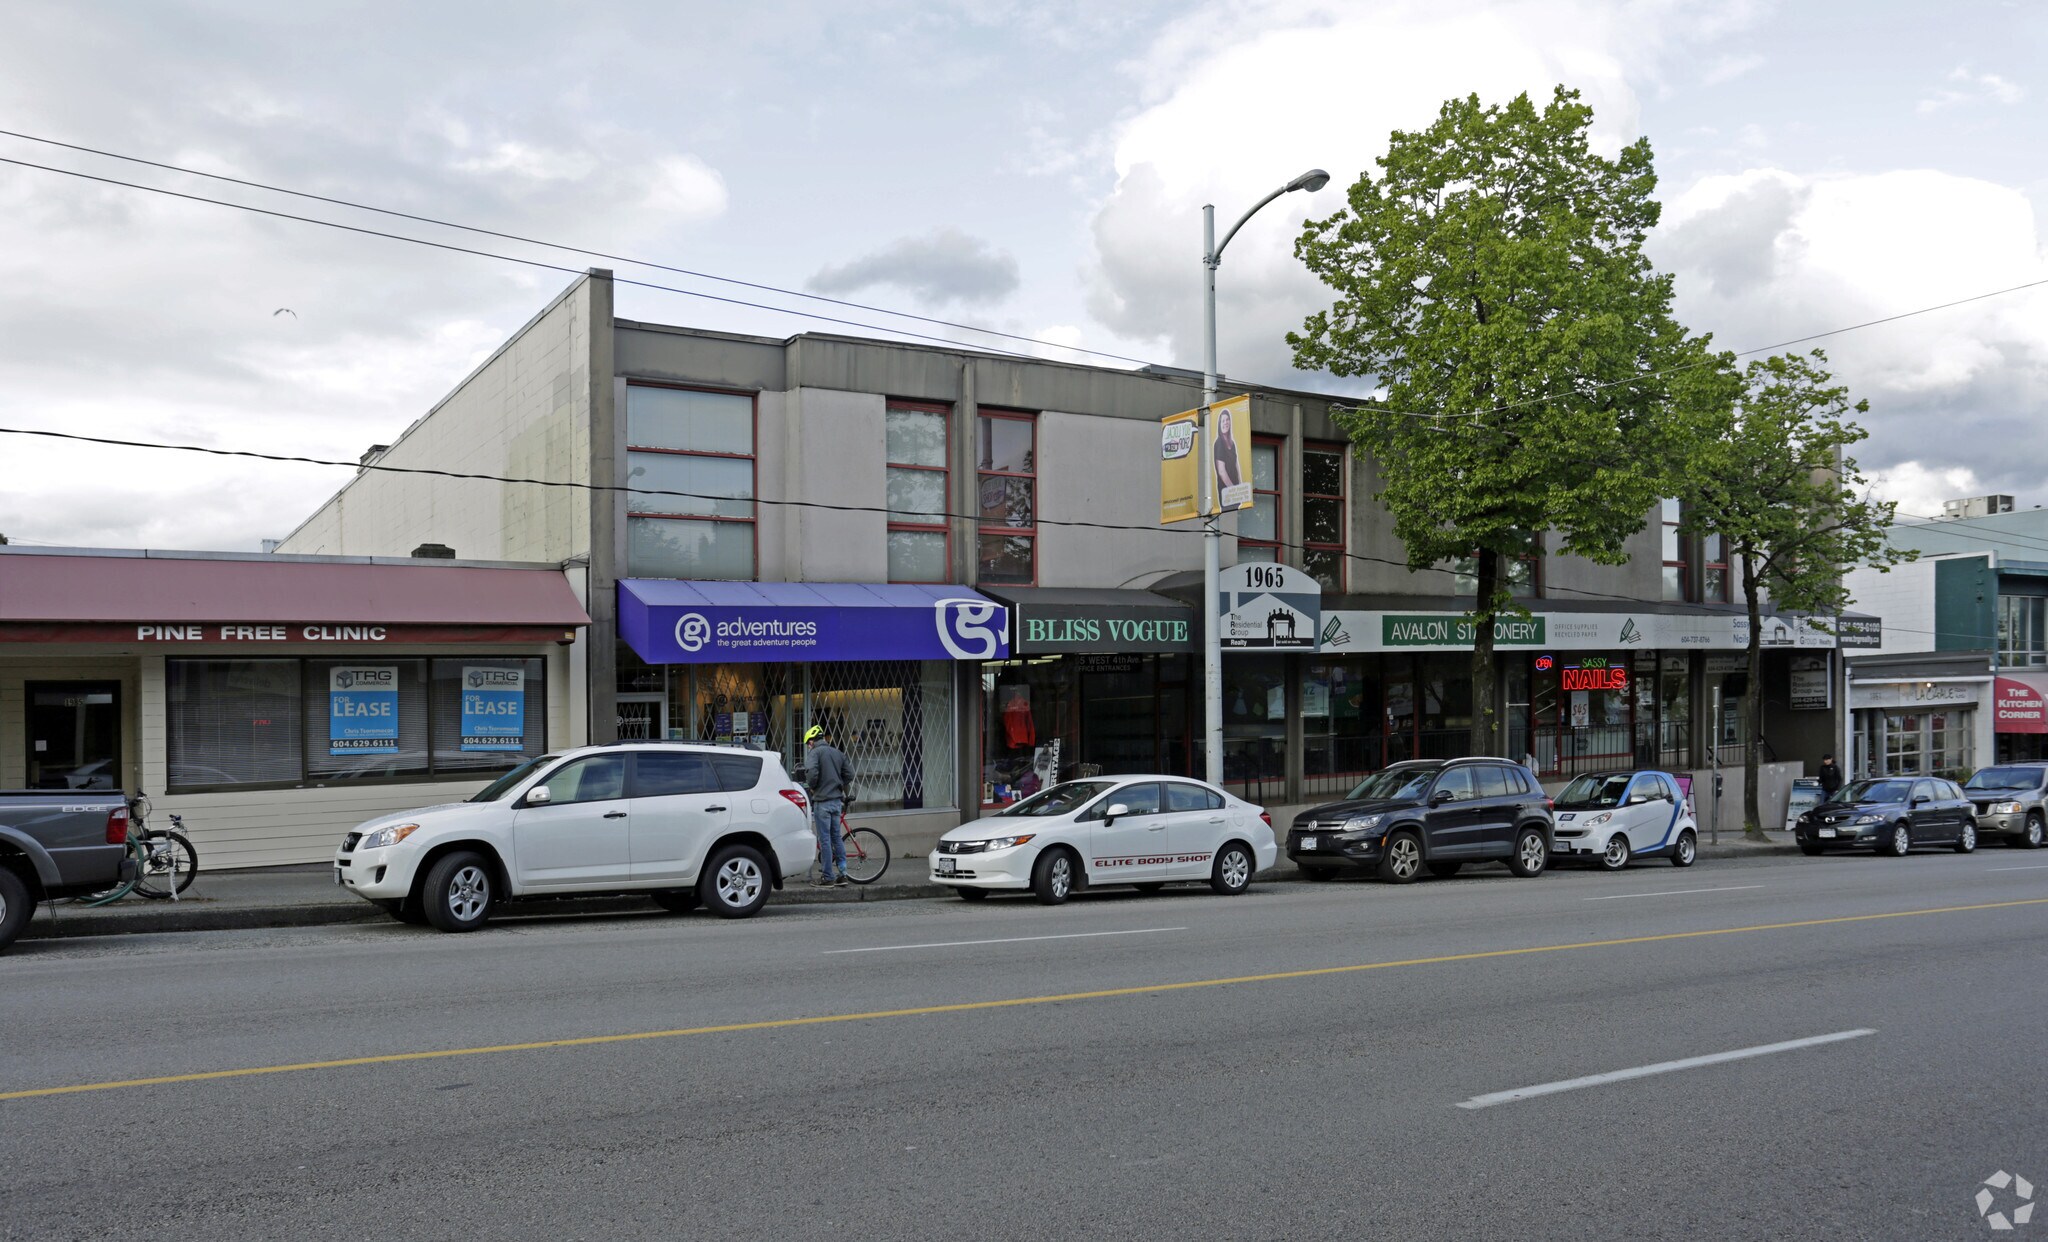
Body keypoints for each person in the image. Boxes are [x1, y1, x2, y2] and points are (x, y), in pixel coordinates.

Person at [804, 723, 852, 886]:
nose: (808, 747)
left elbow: (811, 773)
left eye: (808, 744)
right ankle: (843, 874)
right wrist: (838, 784)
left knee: (824, 840)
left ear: (811, 742)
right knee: (836, 838)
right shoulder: (837, 753)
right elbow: (850, 774)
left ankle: (827, 877)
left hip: (822, 802)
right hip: (836, 802)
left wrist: (813, 787)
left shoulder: (814, 753)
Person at [1213, 407, 1242, 493]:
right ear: (1219, 424)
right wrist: (1233, 490)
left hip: (1235, 489)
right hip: (1226, 490)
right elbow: (1221, 471)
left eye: (1227, 419)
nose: (1225, 423)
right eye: (1223, 421)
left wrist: (1240, 485)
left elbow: (1237, 464)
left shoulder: (1232, 443)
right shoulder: (1219, 443)